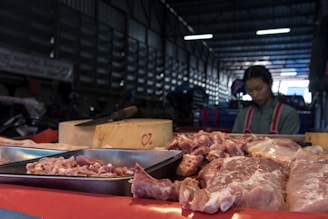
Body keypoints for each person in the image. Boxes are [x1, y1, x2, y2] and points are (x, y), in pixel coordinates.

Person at [232, 65, 300, 134]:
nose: (255, 95)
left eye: (259, 89)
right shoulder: (243, 115)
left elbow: (289, 144)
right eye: (250, 90)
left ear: (270, 83)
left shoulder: (287, 114)